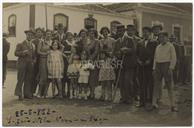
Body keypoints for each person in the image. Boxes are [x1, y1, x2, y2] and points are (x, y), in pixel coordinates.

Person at [152, 32, 178, 112]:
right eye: (160, 37)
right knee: (156, 85)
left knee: (169, 86)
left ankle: (173, 105)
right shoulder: (158, 47)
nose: (161, 39)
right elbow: (155, 58)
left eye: (163, 37)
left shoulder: (171, 46)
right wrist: (154, 68)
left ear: (167, 38)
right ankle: (154, 103)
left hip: (167, 66)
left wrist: (171, 68)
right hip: (158, 66)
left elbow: (174, 58)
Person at [113, 25, 136, 104]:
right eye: (118, 31)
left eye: (121, 31)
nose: (120, 33)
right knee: (121, 81)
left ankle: (129, 97)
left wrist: (126, 50)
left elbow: (133, 50)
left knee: (128, 81)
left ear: (124, 31)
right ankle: (123, 97)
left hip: (129, 64)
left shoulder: (129, 39)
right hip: (120, 65)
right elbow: (114, 52)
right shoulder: (117, 41)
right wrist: (118, 53)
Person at [136, 27, 157, 108]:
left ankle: (151, 101)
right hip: (141, 66)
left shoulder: (154, 42)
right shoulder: (139, 42)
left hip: (150, 67)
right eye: (143, 32)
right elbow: (137, 54)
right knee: (141, 84)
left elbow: (155, 54)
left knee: (150, 84)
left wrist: (150, 60)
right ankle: (142, 101)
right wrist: (138, 61)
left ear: (150, 33)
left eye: (146, 32)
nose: (145, 33)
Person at [14, 29, 36, 100]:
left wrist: (33, 60)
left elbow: (34, 55)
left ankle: (27, 94)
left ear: (32, 36)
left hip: (30, 65)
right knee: (21, 79)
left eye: (31, 35)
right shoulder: (20, 43)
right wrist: (23, 52)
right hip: (22, 64)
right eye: (28, 35)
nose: (29, 36)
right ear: (26, 35)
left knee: (28, 79)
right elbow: (16, 53)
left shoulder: (33, 45)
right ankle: (19, 94)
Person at [98, 27, 116, 102]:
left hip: (110, 60)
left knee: (109, 80)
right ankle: (103, 95)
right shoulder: (101, 41)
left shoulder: (112, 40)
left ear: (108, 32)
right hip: (103, 60)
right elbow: (100, 51)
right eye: (103, 32)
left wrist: (109, 54)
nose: (104, 33)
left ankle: (109, 96)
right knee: (103, 79)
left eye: (106, 31)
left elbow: (113, 51)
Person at [37, 29, 52, 98]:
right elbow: (38, 51)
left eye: (50, 34)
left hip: (51, 61)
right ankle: (39, 92)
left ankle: (45, 93)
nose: (48, 35)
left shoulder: (52, 42)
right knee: (43, 76)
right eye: (47, 34)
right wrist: (45, 54)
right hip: (43, 60)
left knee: (49, 77)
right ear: (45, 35)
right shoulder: (41, 42)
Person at [61, 32, 77, 98]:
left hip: (72, 59)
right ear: (66, 36)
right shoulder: (64, 42)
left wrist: (71, 56)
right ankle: (63, 92)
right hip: (65, 59)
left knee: (71, 75)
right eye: (68, 36)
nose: (70, 37)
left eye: (71, 36)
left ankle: (69, 92)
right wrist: (66, 57)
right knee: (64, 75)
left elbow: (75, 51)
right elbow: (61, 52)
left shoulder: (74, 42)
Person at [86, 28, 100, 99]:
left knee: (93, 77)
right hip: (86, 61)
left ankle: (92, 93)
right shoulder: (87, 41)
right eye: (90, 33)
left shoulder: (97, 41)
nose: (91, 35)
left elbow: (96, 51)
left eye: (92, 33)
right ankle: (89, 92)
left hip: (94, 61)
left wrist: (91, 59)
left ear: (95, 34)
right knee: (87, 76)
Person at [31, 27, 44, 95]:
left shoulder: (44, 41)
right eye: (38, 32)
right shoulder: (33, 41)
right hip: (36, 60)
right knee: (34, 75)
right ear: (36, 33)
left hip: (43, 60)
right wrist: (34, 58)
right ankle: (32, 91)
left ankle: (41, 92)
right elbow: (32, 51)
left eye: (40, 32)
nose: (39, 33)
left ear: (42, 33)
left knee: (42, 75)